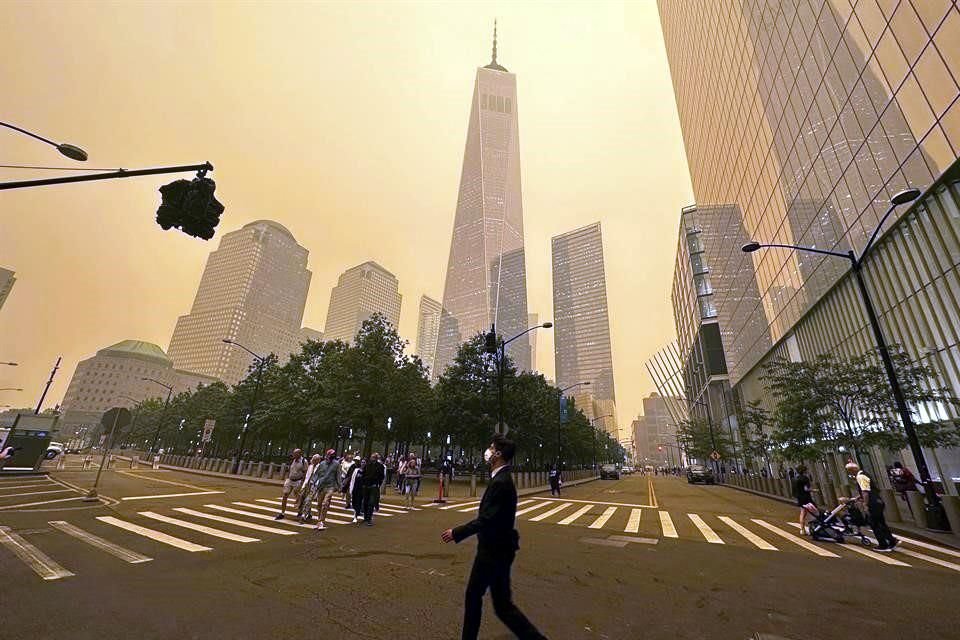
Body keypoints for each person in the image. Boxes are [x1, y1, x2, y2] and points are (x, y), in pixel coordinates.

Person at [441, 434, 548, 640]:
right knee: (502, 606)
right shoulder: (501, 478)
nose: (487, 452)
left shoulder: (501, 482)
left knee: (474, 596)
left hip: (493, 551)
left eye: (491, 448)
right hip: (501, 549)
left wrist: (457, 532)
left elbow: (487, 520)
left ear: (498, 454)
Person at [846, 461, 898, 552]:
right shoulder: (865, 474)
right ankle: (891, 541)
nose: (849, 473)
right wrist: (858, 498)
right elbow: (868, 490)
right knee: (880, 522)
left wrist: (865, 504)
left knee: (874, 523)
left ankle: (883, 544)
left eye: (849, 471)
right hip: (877, 501)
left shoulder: (860, 476)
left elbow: (865, 491)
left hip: (873, 503)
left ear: (853, 470)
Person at [308, 449, 341, 531]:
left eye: (333, 455)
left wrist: (339, 486)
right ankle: (319, 520)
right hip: (321, 486)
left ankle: (321, 521)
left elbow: (338, 476)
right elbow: (316, 474)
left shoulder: (336, 464)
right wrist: (312, 481)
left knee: (325, 503)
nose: (331, 457)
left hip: (330, 486)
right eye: (330, 455)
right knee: (319, 504)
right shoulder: (322, 464)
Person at [276, 448, 307, 520]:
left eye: (296, 454)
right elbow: (290, 469)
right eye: (294, 453)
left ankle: (301, 510)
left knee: (298, 496)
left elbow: (305, 472)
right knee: (285, 495)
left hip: (298, 481)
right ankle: (282, 513)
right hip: (290, 480)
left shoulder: (303, 461)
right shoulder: (292, 460)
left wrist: (303, 482)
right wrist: (287, 478)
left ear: (299, 454)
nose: (294, 455)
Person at [361, 453, 386, 526]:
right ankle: (365, 518)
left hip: (374, 486)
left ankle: (369, 519)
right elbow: (363, 474)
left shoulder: (380, 466)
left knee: (371, 503)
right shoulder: (367, 465)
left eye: (374, 457)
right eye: (372, 457)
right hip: (366, 485)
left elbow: (381, 476)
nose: (373, 458)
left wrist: (378, 483)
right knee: (365, 502)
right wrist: (363, 483)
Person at [297, 454, 323, 523]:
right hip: (307, 485)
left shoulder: (321, 467)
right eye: (313, 459)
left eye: (315, 460)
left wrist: (317, 486)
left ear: (318, 460)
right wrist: (303, 486)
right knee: (303, 498)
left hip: (314, 485)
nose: (313, 461)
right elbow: (307, 477)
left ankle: (304, 516)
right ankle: (309, 513)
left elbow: (320, 477)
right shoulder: (310, 466)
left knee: (308, 500)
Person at [793, 464, 817, 535]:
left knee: (802, 513)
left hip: (800, 498)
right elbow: (806, 489)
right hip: (806, 498)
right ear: (804, 471)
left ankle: (803, 530)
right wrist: (814, 490)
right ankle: (815, 528)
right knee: (815, 512)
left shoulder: (795, 478)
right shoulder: (805, 478)